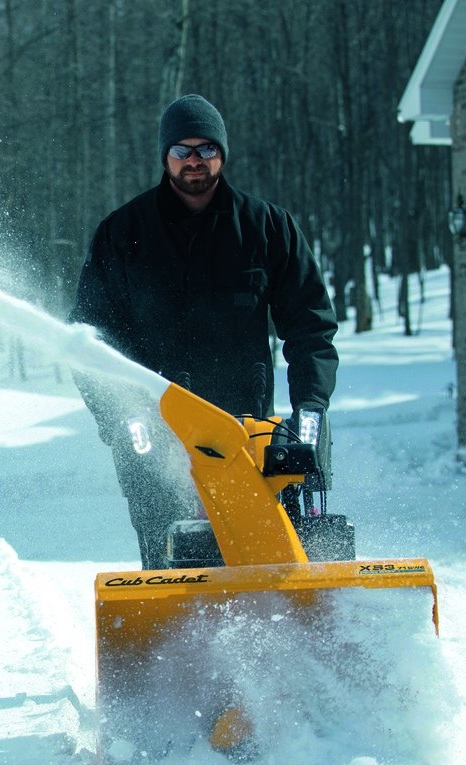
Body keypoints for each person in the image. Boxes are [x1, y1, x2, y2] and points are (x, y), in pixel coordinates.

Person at [69, 94, 339, 567]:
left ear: (222, 154)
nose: (194, 160)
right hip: (157, 434)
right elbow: (90, 342)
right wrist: (122, 418)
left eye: (206, 148)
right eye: (182, 150)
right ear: (165, 156)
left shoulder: (267, 228)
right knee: (171, 562)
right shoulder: (123, 233)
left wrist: (310, 409)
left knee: (265, 555)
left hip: (247, 431)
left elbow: (310, 326)